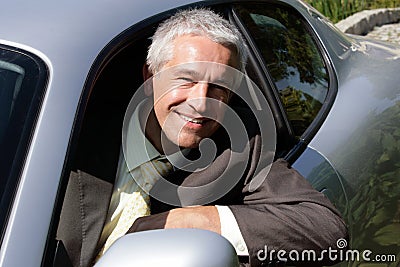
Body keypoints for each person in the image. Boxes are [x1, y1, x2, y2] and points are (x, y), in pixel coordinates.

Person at [57, 8, 348, 267]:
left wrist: (192, 221)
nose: (201, 102)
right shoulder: (71, 138)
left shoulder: (240, 144)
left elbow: (326, 230)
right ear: (150, 77)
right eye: (186, 79)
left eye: (219, 86)